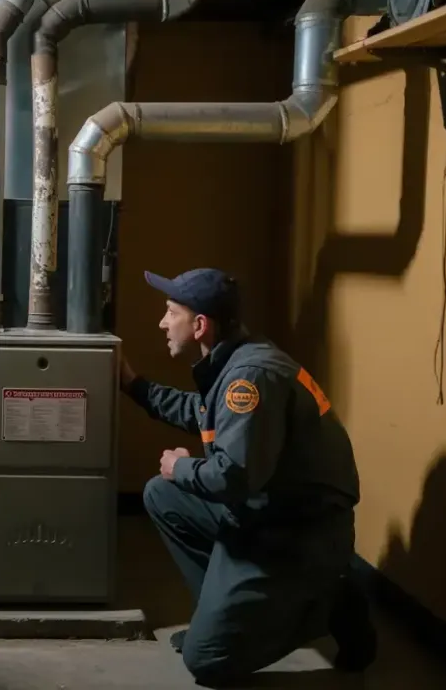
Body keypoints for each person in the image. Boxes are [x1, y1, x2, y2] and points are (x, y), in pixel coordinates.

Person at [120, 267, 377, 686]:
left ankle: (329, 602)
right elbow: (199, 413)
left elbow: (234, 478)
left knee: (207, 660)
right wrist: (132, 385)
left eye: (171, 312)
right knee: (162, 494)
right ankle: (228, 618)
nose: (163, 323)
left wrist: (181, 466)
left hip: (297, 535)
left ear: (200, 325)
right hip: (266, 514)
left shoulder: (249, 378)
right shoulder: (235, 360)